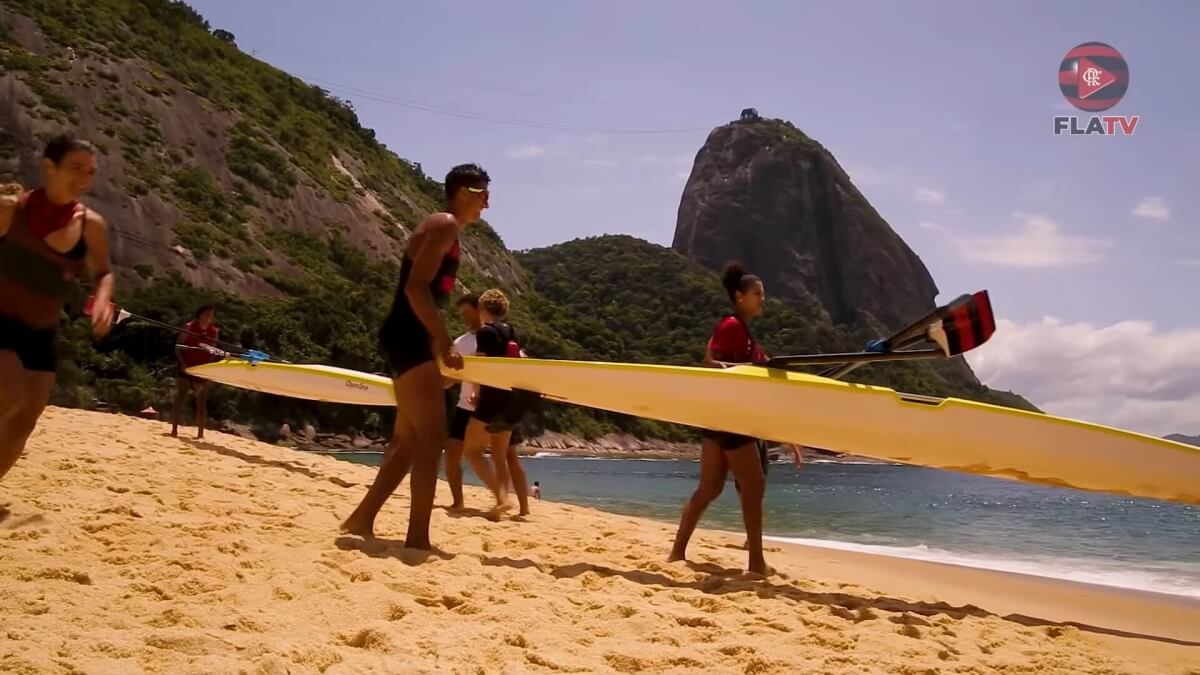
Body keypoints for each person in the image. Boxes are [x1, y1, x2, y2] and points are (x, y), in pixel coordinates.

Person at [339, 163, 488, 549]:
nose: (487, 201)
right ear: (462, 191)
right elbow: (415, 289)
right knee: (430, 438)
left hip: (407, 335)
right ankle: (418, 538)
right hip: (410, 336)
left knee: (407, 440)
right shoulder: (444, 224)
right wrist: (443, 340)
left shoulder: (446, 228)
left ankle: (361, 519)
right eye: (481, 192)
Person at [668, 261, 801, 574]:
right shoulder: (730, 326)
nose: (762, 299)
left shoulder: (747, 337)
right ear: (740, 296)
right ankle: (756, 562)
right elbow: (709, 361)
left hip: (718, 417)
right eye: (758, 294)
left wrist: (789, 432)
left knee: (710, 489)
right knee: (753, 486)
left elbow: (765, 376)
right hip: (730, 417)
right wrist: (733, 370)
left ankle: (677, 552)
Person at [0, 134, 115, 482]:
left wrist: (104, 299)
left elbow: (104, 272)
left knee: (24, 422)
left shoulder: (90, 227)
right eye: (75, 168)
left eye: (90, 172)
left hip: (42, 334)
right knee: (9, 397)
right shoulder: (10, 210)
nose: (83, 179)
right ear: (49, 167)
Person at [459, 289, 534, 518]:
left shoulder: (485, 332)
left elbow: (482, 366)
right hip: (510, 399)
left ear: (482, 309)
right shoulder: (511, 331)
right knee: (500, 457)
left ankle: (502, 498)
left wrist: (475, 391)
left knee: (471, 451)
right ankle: (506, 504)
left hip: (491, 398)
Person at [443, 293, 482, 511]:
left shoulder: (494, 336)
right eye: (462, 315)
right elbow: (451, 379)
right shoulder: (460, 342)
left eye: (468, 313)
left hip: (489, 406)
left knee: (502, 455)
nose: (465, 318)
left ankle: (507, 500)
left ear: (479, 310)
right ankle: (458, 501)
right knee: (452, 452)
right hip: (464, 405)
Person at [171, 304, 219, 439]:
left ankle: (200, 434)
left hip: (201, 369)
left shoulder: (214, 331)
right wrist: (183, 365)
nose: (209, 317)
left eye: (211, 314)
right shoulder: (189, 326)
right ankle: (174, 430)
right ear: (201, 314)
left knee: (201, 402)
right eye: (207, 314)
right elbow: (178, 347)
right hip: (185, 365)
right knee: (180, 397)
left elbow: (213, 352)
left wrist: (206, 370)